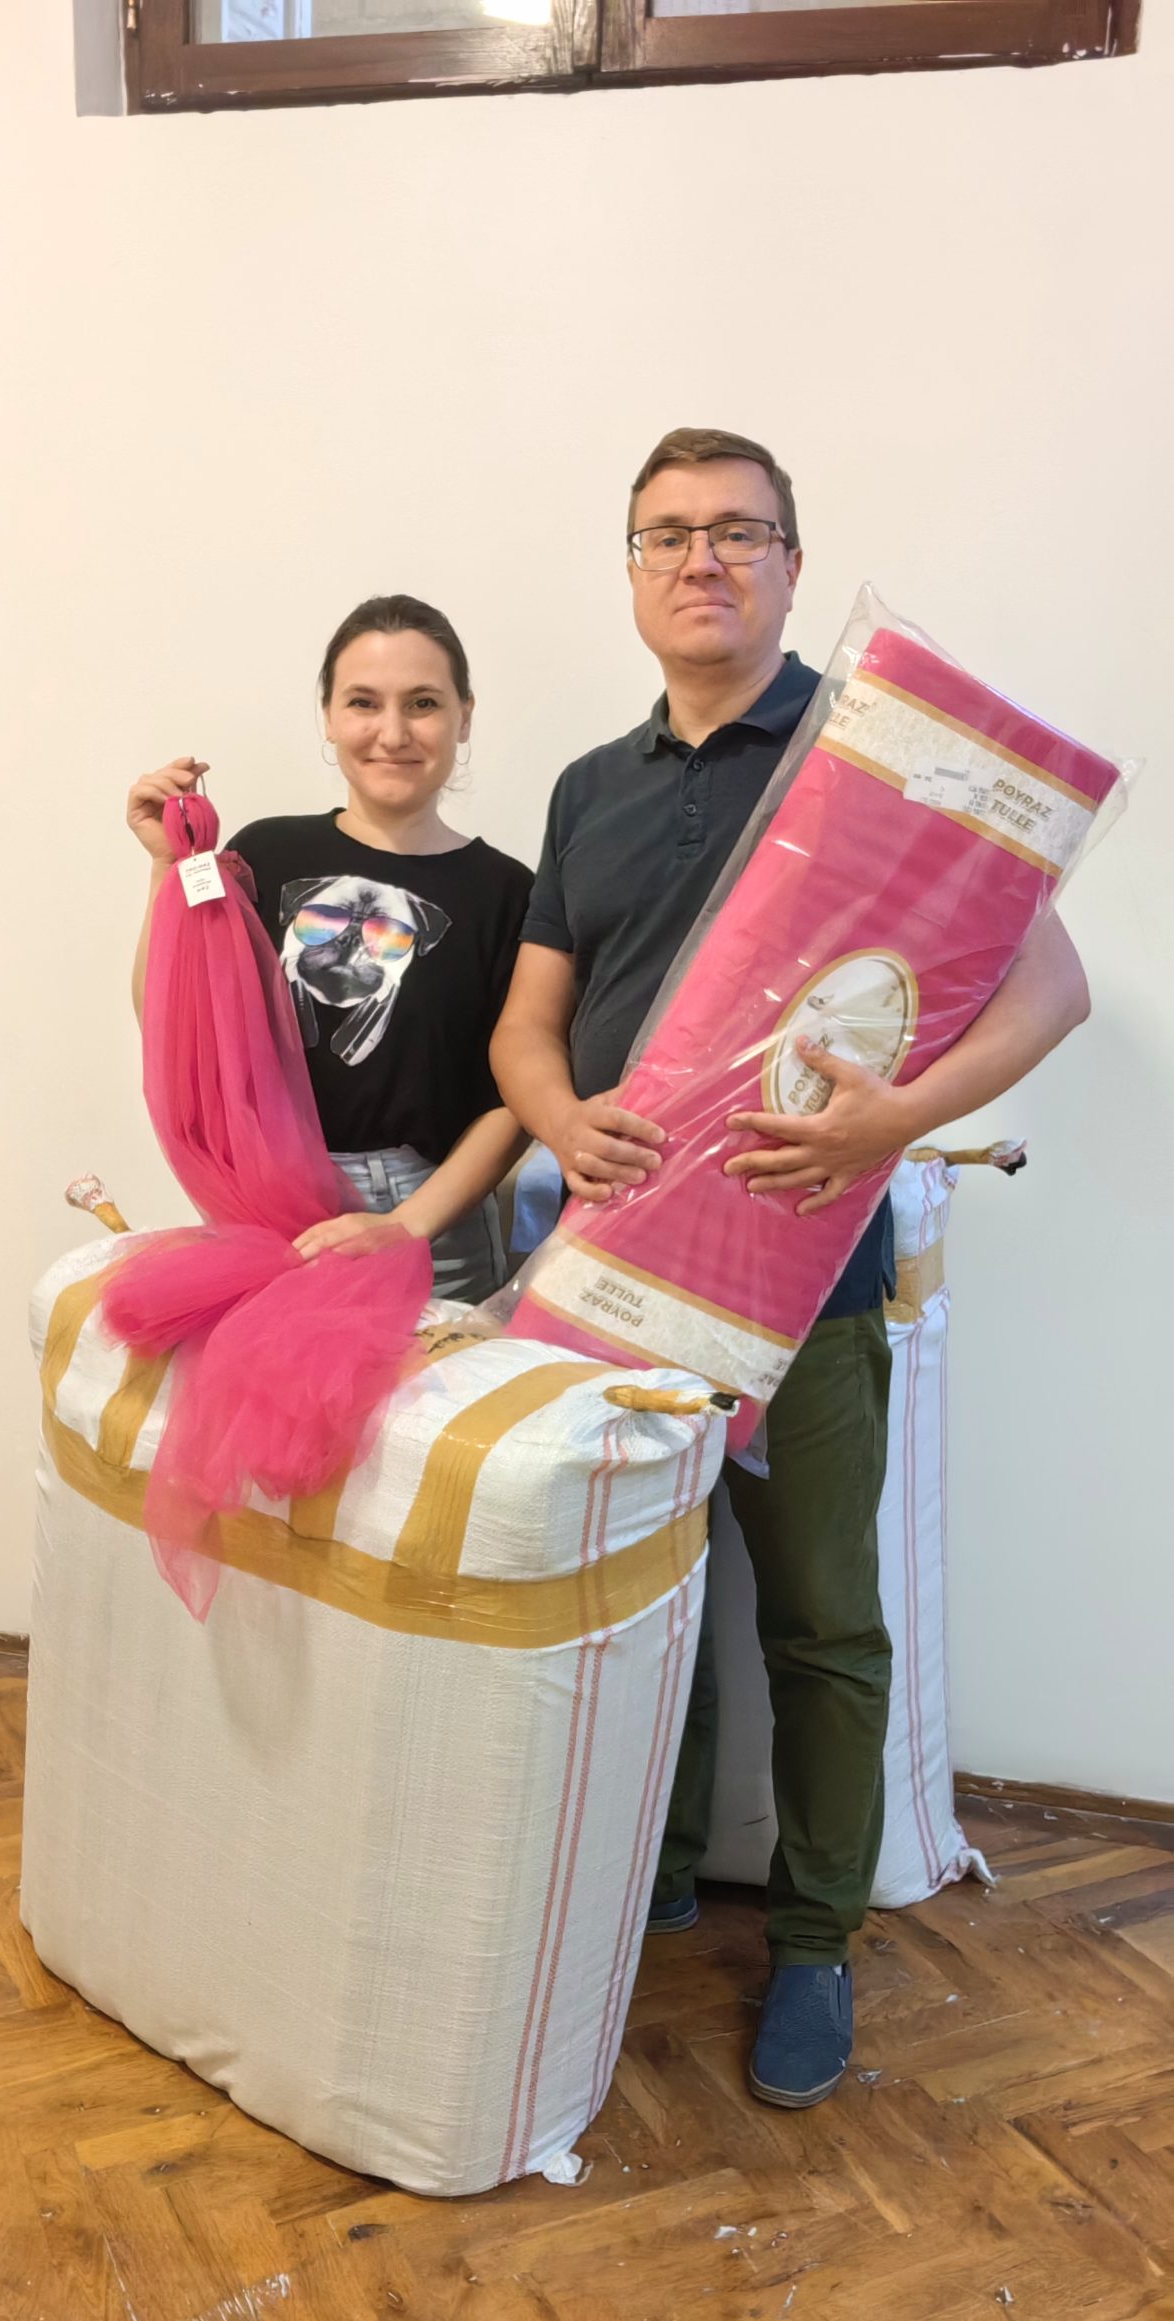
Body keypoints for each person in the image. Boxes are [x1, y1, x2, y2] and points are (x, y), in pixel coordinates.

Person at [490, 426, 1091, 2109]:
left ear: (792, 565)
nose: (704, 559)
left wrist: (889, 1123)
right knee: (633, 1597)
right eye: (669, 533)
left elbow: (1052, 991)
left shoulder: (877, 758)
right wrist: (564, 1114)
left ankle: (818, 1940)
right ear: (631, 571)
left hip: (807, 1280)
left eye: (740, 532)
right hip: (611, 1277)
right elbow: (527, 1027)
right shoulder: (589, 788)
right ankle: (657, 1878)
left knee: (822, 1617)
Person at [127, 595, 531, 1303]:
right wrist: (169, 863)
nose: (392, 733)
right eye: (363, 702)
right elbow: (177, 1024)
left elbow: (515, 1100)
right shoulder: (265, 853)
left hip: (434, 1226)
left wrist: (408, 1223)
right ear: (329, 716)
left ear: (464, 716)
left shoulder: (509, 893)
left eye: (424, 703)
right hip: (268, 1204)